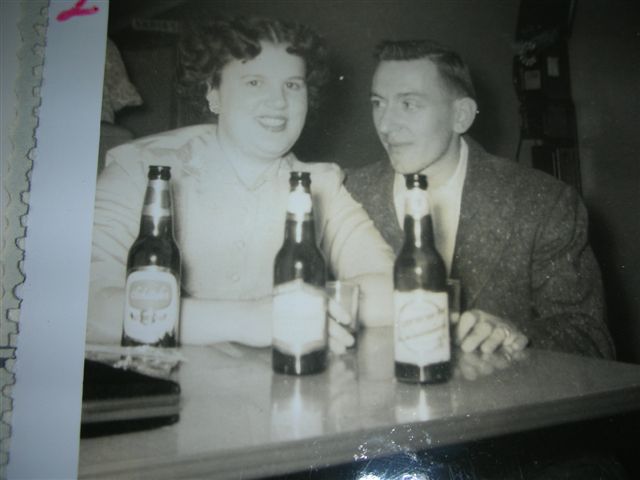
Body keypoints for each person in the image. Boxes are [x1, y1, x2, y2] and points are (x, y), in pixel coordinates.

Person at [86, 17, 394, 352]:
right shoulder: (142, 170)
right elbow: (83, 303)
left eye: (292, 85)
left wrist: (306, 311)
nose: (278, 101)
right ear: (213, 93)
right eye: (255, 82)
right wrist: (246, 320)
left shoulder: (321, 185)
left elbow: (394, 287)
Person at [346, 39, 615, 359]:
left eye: (408, 104)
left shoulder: (543, 202)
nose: (385, 125)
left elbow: (590, 338)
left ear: (461, 116)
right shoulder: (347, 193)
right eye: (378, 103)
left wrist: (516, 336)